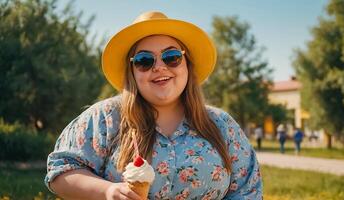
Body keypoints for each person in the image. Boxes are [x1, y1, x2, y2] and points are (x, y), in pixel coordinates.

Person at [44, 11, 262, 200]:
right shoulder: (106, 117)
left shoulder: (222, 125)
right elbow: (60, 172)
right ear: (132, 71)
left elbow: (248, 191)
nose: (159, 67)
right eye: (144, 61)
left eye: (171, 57)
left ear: (187, 64)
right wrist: (107, 191)